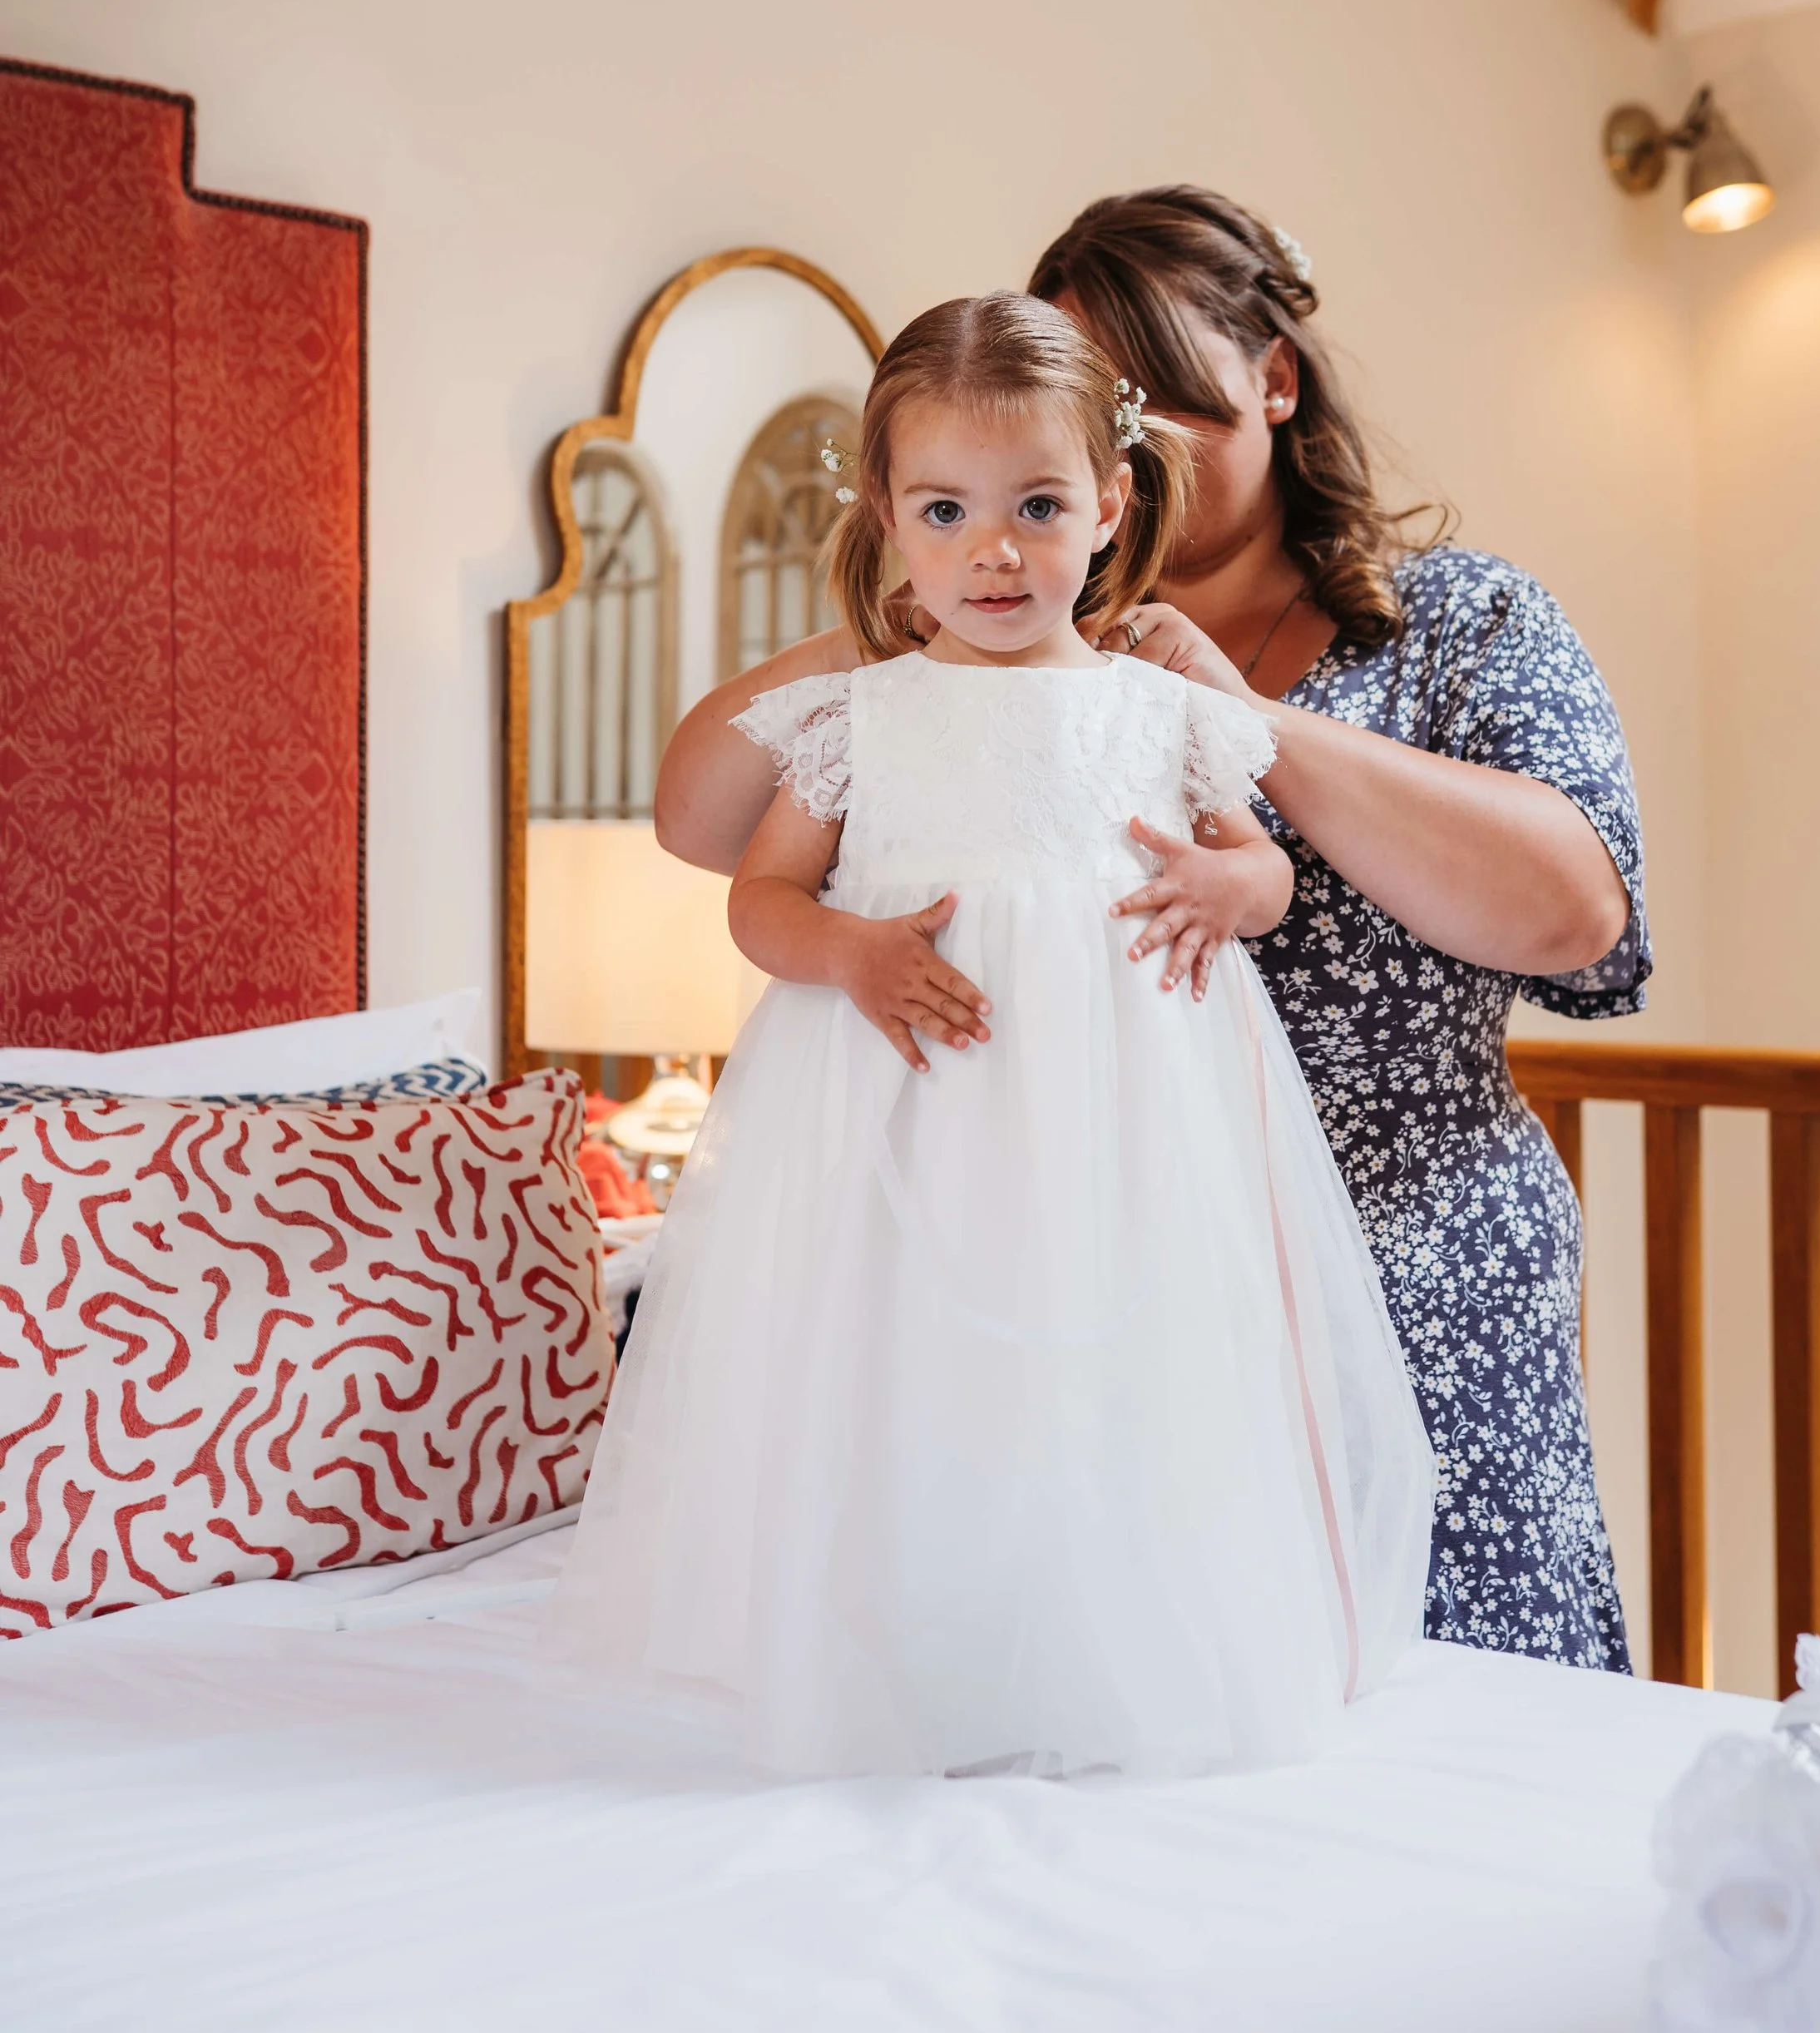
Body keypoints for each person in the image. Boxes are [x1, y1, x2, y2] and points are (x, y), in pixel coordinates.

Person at [659, 190, 1646, 1676]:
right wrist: (937, 604)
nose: (1147, 446)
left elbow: (1574, 914)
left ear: (1272, 378)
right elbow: (701, 815)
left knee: (1446, 1726)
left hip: (1404, 1269)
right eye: (1099, 415)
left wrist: (1236, 722)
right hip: (1083, 1271)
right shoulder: (980, 644)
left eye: (1163, 403)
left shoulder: (1459, 622)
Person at [551, 293, 1436, 1778]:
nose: (998, 550)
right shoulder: (856, 716)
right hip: (915, 1110)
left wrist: (1234, 883)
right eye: (949, 510)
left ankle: (1099, 1654)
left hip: (1124, 1119)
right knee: (917, 1369)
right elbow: (759, 900)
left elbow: (1266, 869)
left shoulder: (1157, 706)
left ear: (1108, 503)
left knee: (1112, 1372)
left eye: (1038, 505)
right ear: (890, 522)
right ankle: (917, 1654)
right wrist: (849, 948)